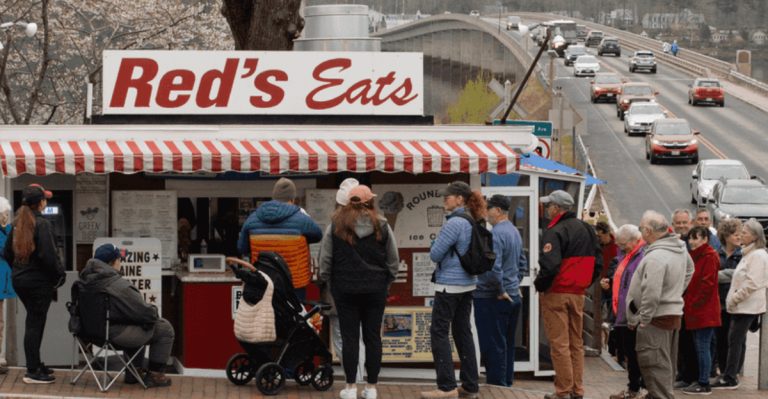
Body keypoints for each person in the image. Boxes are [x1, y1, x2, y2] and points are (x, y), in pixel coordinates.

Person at [319, 184, 399, 399]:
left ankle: (350, 387)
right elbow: (393, 261)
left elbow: (325, 261)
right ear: (370, 202)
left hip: (344, 289)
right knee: (373, 338)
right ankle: (371, 387)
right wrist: (386, 282)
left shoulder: (335, 225)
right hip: (375, 289)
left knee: (350, 338)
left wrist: (331, 283)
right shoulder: (382, 224)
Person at [534, 190, 602, 399]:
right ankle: (577, 389)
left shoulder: (554, 230)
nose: (546, 209)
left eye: (548, 205)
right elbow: (598, 263)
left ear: (556, 208)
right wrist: (584, 283)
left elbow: (550, 265)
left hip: (557, 292)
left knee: (559, 344)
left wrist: (540, 284)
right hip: (579, 292)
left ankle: (563, 390)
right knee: (576, 344)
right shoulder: (587, 229)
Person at [79, 243, 175, 388]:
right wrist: (154, 312)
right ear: (113, 262)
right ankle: (155, 375)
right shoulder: (117, 285)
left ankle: (133, 374)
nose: (120, 262)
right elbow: (145, 313)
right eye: (119, 259)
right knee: (164, 328)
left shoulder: (83, 282)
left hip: (89, 334)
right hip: (112, 335)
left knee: (136, 324)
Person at [421, 181, 484, 399]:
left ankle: (446, 386)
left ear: (459, 199)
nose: (443, 200)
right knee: (463, 332)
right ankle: (470, 385)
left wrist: (434, 245)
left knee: (439, 332)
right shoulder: (470, 219)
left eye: (447, 196)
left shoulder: (454, 223)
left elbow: (435, 254)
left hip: (449, 284)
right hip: (467, 283)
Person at [626, 210, 694, 399]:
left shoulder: (657, 256)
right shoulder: (678, 248)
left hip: (655, 318)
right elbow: (690, 269)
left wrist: (644, 318)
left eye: (641, 229)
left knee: (655, 369)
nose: (640, 233)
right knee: (663, 367)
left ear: (648, 230)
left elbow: (652, 292)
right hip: (669, 315)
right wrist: (675, 292)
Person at [3, 184, 65, 384]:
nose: (46, 201)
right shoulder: (42, 224)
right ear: (40, 203)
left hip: (20, 280)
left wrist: (20, 270)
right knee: (35, 324)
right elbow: (48, 256)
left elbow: (6, 253)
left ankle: (36, 363)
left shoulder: (17, 224)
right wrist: (59, 275)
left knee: (33, 321)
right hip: (38, 282)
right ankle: (32, 370)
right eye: (44, 198)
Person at [237, 177, 323, 301]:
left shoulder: (252, 218)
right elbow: (318, 235)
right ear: (293, 199)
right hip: (294, 282)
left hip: (264, 282)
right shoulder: (302, 219)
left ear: (274, 197)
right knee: (294, 318)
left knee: (266, 318)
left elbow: (242, 248)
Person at [473, 194, 524, 387]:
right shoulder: (514, 232)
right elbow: (522, 262)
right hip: (512, 295)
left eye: (488, 208)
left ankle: (497, 386)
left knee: (493, 345)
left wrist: (502, 289)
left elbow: (494, 267)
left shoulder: (495, 234)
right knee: (507, 344)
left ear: (498, 211)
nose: (486, 212)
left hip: (494, 296)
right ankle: (506, 384)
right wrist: (514, 285)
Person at [319, 178, 366, 385]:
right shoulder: (376, 224)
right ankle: (364, 378)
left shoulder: (334, 228)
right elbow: (389, 259)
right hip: (368, 292)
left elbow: (325, 262)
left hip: (340, 292)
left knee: (342, 337)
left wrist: (325, 280)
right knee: (363, 337)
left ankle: (353, 379)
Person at [712, 218, 768, 390]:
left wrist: (734, 298)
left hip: (747, 306)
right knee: (732, 340)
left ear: (754, 236)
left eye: (744, 232)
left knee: (735, 341)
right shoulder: (748, 253)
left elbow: (752, 283)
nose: (741, 235)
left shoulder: (758, 255)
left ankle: (730, 377)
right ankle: (728, 374)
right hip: (741, 305)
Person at [604, 225, 645, 399]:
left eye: (622, 244)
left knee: (634, 354)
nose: (620, 247)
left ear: (634, 240)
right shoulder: (627, 255)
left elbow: (636, 286)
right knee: (629, 352)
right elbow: (622, 281)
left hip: (632, 313)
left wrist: (634, 313)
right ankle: (633, 387)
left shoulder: (641, 257)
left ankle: (636, 388)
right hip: (622, 312)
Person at [680, 226, 721, 395]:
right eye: (690, 238)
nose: (692, 241)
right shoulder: (695, 256)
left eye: (696, 238)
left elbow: (707, 284)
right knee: (702, 346)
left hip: (704, 310)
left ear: (705, 239)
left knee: (702, 346)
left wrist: (692, 304)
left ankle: (704, 383)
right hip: (697, 308)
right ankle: (701, 378)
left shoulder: (709, 256)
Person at [713, 218, 742, 377]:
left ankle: (734, 372)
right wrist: (732, 275)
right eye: (735, 234)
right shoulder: (716, 253)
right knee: (721, 339)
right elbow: (711, 276)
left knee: (737, 340)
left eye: (740, 234)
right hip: (719, 302)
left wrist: (721, 275)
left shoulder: (743, 254)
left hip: (737, 302)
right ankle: (724, 371)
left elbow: (742, 276)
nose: (738, 237)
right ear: (726, 236)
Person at [0, 197, 17, 374]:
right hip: (1, 282)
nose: (6, 217)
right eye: (4, 214)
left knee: (1, 323)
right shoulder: (6, 231)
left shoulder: (8, 230)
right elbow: (7, 250)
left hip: (4, 282)